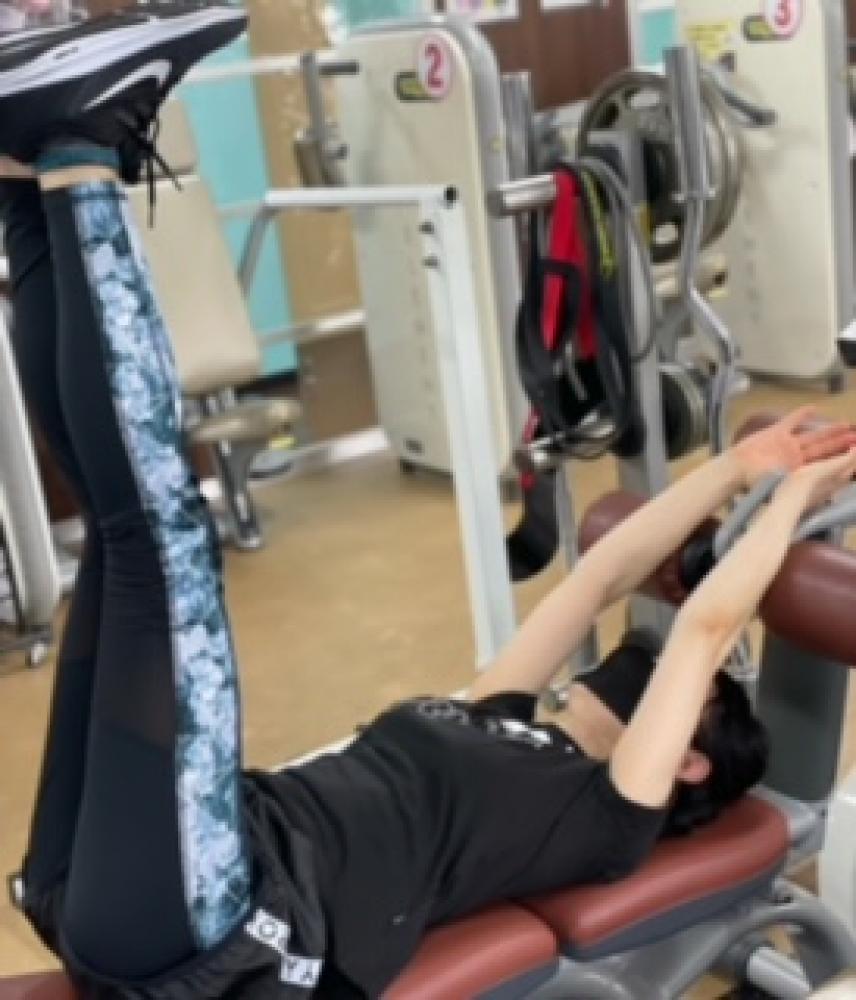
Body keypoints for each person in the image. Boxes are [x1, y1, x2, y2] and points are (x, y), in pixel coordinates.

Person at [3, 6, 856, 997]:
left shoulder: (607, 815)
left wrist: (796, 500)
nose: (650, 658)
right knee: (124, 550)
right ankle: (28, 169)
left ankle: (80, 148)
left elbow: (707, 628)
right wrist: (739, 468)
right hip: (151, 869)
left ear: (688, 765)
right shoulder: (502, 717)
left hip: (223, 919)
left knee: (160, 545)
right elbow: (600, 578)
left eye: (678, 689)